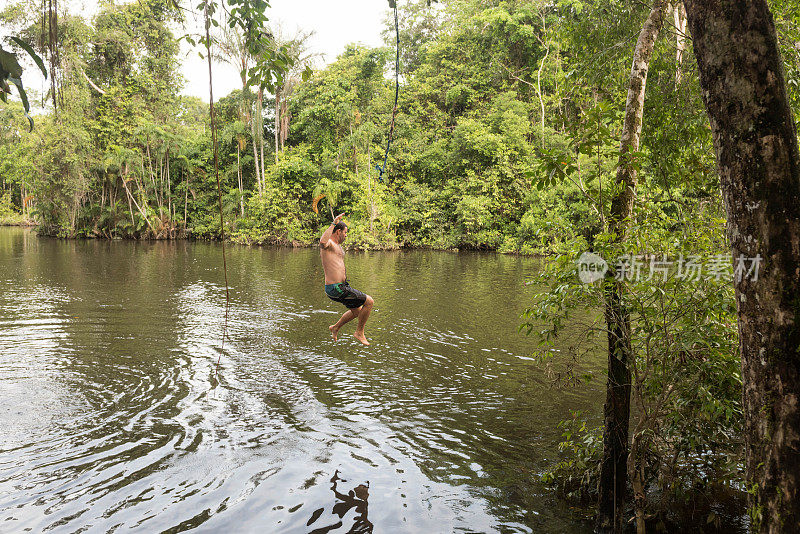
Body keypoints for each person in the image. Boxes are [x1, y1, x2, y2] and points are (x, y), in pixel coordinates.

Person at [320, 213, 374, 346]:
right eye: (345, 232)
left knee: (358, 311)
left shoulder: (337, 246)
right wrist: (333, 223)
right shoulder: (329, 244)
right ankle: (359, 332)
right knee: (369, 302)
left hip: (342, 286)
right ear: (338, 231)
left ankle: (335, 327)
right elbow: (322, 242)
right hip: (336, 287)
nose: (346, 235)